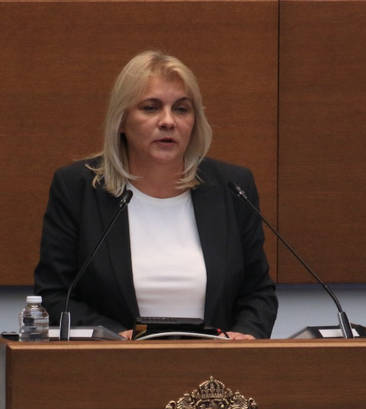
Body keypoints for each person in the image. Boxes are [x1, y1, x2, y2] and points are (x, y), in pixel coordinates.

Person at [33, 50, 278, 339]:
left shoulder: (232, 187)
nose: (168, 121)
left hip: (216, 362)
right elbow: (55, 295)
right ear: (121, 120)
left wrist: (245, 334)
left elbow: (258, 293)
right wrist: (112, 336)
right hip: (113, 361)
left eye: (181, 109)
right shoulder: (78, 189)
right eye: (151, 108)